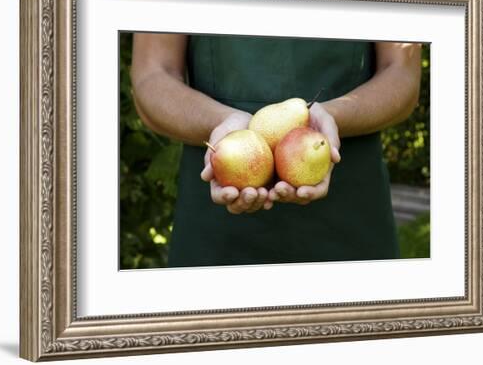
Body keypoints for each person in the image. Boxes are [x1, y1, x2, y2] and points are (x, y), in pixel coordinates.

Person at [130, 33, 421, 267]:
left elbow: (401, 72)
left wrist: (323, 119)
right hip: (214, 224)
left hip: (352, 208)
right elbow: (152, 74)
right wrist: (225, 125)